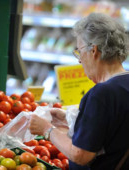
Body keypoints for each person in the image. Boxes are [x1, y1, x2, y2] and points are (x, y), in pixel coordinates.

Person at [28, 12, 129, 170]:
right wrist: (70, 119)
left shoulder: (101, 94)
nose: (80, 60)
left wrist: (47, 129)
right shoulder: (124, 84)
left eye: (79, 51)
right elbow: (112, 131)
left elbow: (80, 155)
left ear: (94, 50)